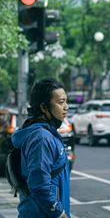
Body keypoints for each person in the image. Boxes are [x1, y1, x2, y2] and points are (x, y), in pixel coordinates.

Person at [12, 78, 71, 218]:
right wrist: (59, 213)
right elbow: (39, 185)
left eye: (66, 101)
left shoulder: (45, 133)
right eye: (61, 102)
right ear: (44, 107)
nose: (66, 107)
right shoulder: (42, 138)